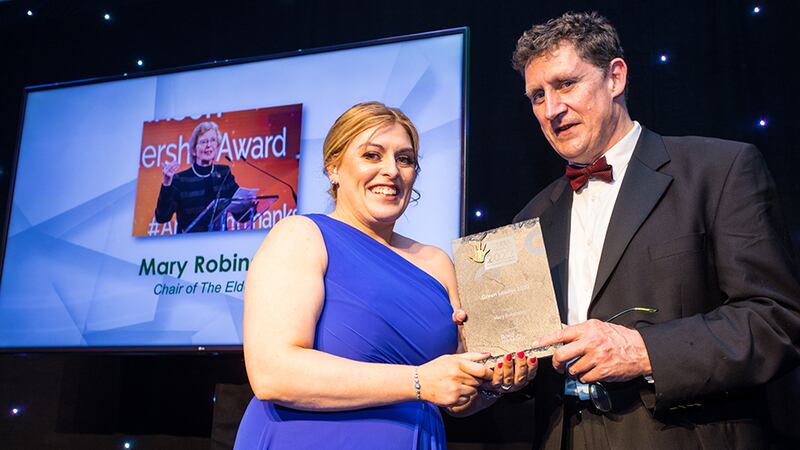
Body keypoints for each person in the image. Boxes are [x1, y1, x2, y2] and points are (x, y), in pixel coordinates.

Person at [505, 11, 800, 450]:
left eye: (566, 84)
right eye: (537, 96)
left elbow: (776, 320)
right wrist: (508, 371)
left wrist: (642, 351)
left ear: (616, 77)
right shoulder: (529, 220)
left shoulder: (718, 170)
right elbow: (534, 363)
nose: (552, 109)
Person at [234, 102, 537, 449]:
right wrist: (420, 380)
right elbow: (273, 373)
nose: (391, 170)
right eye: (372, 155)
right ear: (334, 168)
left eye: (405, 159)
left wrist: (495, 384)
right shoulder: (301, 235)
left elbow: (457, 399)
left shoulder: (437, 262)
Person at [155, 121, 255, 233]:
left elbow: (241, 217)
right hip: (189, 245)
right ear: (193, 150)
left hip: (219, 245)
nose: (209, 145)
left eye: (213, 141)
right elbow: (162, 217)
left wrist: (249, 205)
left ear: (217, 147)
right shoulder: (181, 179)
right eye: (203, 142)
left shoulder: (223, 173)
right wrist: (166, 184)